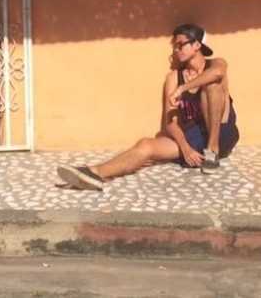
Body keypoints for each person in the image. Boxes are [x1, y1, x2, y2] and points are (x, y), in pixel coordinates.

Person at [56, 23, 239, 191]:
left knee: (212, 85)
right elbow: (170, 123)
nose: (176, 50)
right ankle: (94, 173)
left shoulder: (216, 64)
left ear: (197, 45)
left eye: (181, 44)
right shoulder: (173, 78)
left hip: (222, 133)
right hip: (194, 137)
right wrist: (185, 147)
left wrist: (182, 89)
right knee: (146, 145)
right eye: (174, 46)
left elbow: (217, 73)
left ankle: (212, 150)